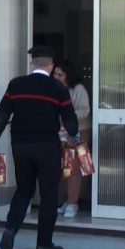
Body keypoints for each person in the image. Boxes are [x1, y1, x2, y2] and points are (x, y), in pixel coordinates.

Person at [0, 45, 79, 249]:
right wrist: (74, 135)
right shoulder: (58, 88)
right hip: (47, 147)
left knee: (24, 190)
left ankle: (10, 230)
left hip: (20, 146)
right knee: (48, 195)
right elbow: (69, 118)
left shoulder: (16, 85)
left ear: (32, 64)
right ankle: (44, 244)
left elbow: (1, 114)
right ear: (51, 65)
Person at [51, 60, 91, 219]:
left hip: (79, 131)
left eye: (60, 74)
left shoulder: (78, 89)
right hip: (60, 132)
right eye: (55, 73)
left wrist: (67, 117)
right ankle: (68, 201)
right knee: (63, 168)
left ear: (68, 76)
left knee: (75, 168)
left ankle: (73, 203)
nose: (56, 77)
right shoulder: (52, 88)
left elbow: (85, 110)